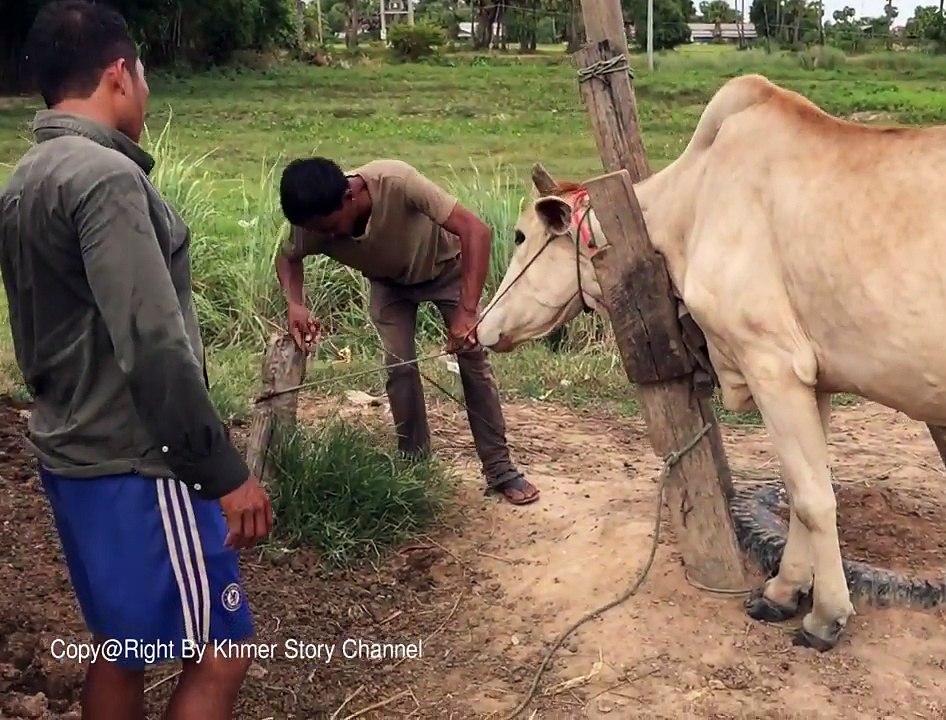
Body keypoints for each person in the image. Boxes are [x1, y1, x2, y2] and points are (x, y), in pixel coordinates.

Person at [0, 2, 272, 718]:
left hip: (74, 453)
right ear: (119, 75)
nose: (146, 93)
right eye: (144, 76)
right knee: (222, 645)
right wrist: (224, 474)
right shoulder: (106, 179)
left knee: (121, 646)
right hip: (140, 465)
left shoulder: (27, 176)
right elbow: (154, 345)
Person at [275, 156, 541, 505]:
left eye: (329, 227)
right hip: (389, 285)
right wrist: (295, 303)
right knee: (399, 367)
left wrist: (466, 311)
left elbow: (476, 230)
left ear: (348, 198)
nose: (325, 237)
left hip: (447, 270)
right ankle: (415, 468)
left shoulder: (396, 181)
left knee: (472, 359)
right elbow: (288, 257)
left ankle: (500, 469)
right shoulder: (312, 222)